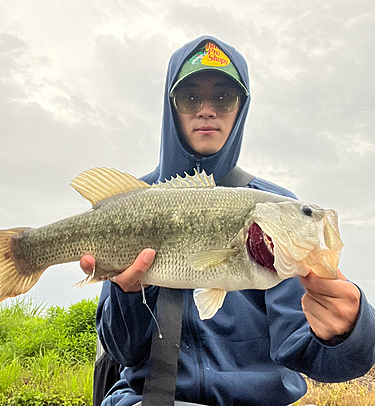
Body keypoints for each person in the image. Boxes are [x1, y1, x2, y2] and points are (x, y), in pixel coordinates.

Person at [80, 36, 375, 406]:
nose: (207, 110)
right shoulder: (133, 202)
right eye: (189, 97)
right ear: (171, 108)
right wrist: (127, 294)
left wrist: (350, 331)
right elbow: (123, 351)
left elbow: (317, 358)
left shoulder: (275, 209)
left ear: (241, 107)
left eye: (223, 97)